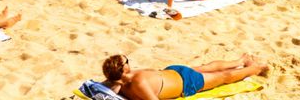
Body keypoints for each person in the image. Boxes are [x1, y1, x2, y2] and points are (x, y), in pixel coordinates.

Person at [97, 54, 269, 100]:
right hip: (177, 75)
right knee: (207, 68)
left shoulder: (118, 83)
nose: (129, 62)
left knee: (223, 77)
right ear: (124, 69)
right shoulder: (137, 80)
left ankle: (255, 69)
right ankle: (241, 60)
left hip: (182, 80)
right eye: (126, 61)